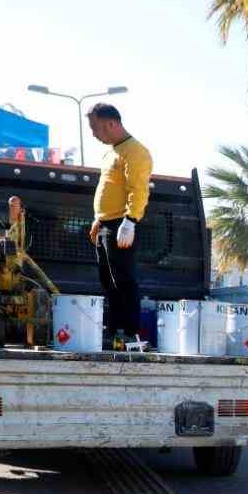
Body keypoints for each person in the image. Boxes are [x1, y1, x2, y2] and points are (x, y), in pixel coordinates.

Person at [85, 103, 152, 342]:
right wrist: (97, 219)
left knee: (123, 279)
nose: (93, 133)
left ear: (111, 123)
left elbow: (139, 190)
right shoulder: (109, 152)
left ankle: (130, 332)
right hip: (104, 224)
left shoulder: (135, 151)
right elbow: (109, 189)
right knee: (108, 280)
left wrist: (131, 220)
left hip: (121, 225)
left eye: (95, 127)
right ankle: (113, 331)